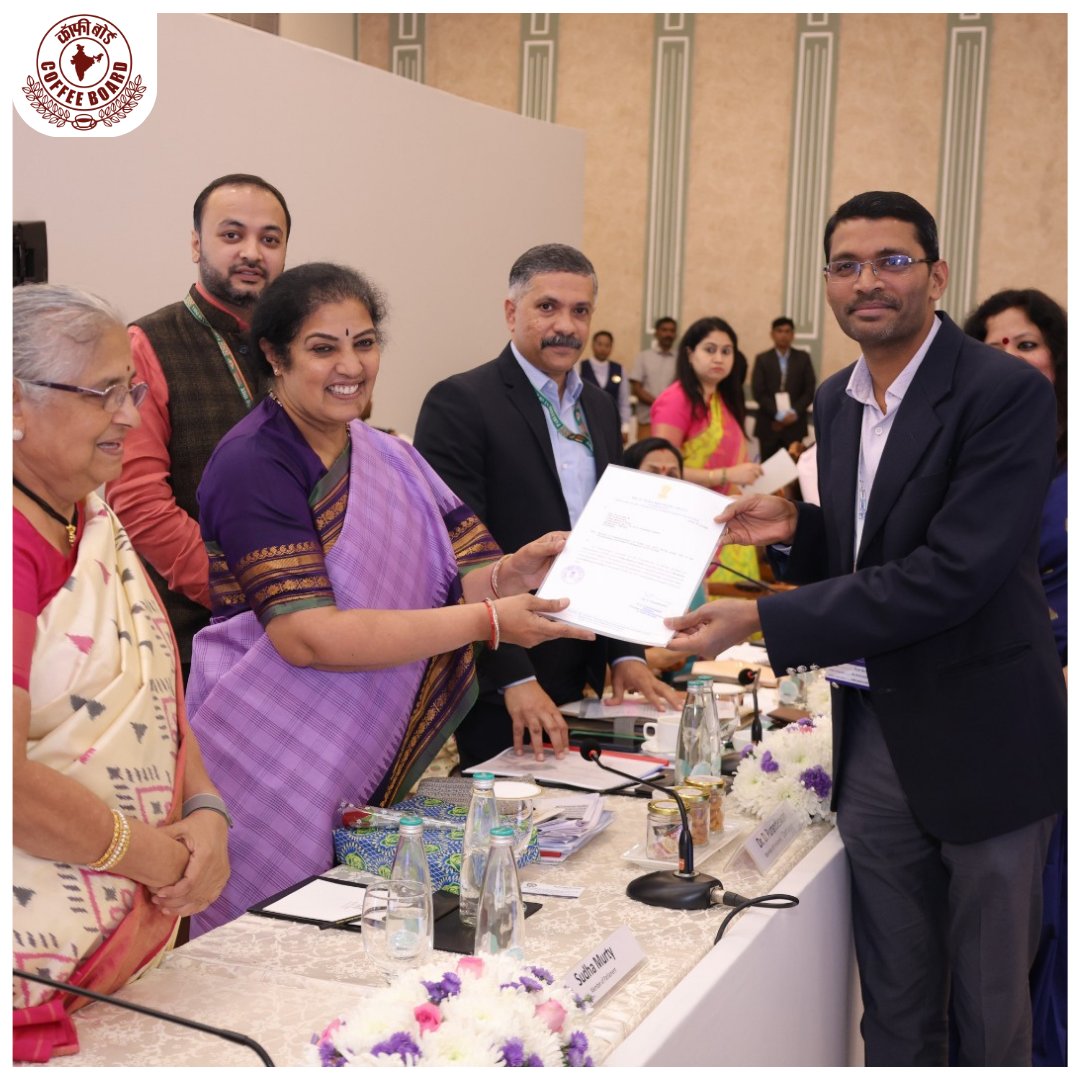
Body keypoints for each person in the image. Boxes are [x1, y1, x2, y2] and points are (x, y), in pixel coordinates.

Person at [664, 191, 1067, 1066]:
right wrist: (796, 528)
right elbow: (873, 545)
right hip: (876, 728)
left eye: (892, 260)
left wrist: (765, 619)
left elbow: (954, 571)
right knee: (893, 1000)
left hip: (986, 737)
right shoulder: (841, 402)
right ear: (827, 285)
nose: (868, 281)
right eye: (846, 265)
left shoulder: (1003, 393)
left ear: (937, 274)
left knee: (990, 1012)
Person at [184, 263, 591, 935]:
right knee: (268, 945)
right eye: (323, 348)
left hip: (354, 748)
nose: (351, 365)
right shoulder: (254, 462)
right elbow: (307, 637)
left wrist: (516, 572)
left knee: (346, 939)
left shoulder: (388, 455)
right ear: (275, 356)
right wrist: (490, 620)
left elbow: (454, 579)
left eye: (365, 343)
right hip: (266, 754)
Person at [12, 284, 230, 1061]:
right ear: (14, 404)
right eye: (103, 393)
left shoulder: (89, 516)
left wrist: (205, 810)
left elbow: (151, 691)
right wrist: (155, 858)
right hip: (30, 960)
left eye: (131, 390)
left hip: (126, 945)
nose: (132, 417)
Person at [414, 244, 682, 768]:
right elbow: (452, 556)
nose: (566, 325)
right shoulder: (461, 403)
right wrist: (514, 677)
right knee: (504, 835)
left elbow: (613, 537)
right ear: (511, 312)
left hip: (579, 660)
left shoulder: (599, 407)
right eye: (547, 307)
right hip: (501, 674)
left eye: (580, 311)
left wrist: (624, 652)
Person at [106, 173, 291, 682]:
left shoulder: (296, 346)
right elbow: (141, 507)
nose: (252, 252)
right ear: (196, 245)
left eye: (269, 239)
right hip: (195, 642)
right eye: (232, 235)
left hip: (305, 630)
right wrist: (251, 590)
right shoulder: (147, 343)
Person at [964, 287, 1067, 1068]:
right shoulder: (959, 458)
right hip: (979, 716)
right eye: (993, 345)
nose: (1010, 359)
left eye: (1026, 343)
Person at [650, 316, 764, 587]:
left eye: (726, 351)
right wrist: (725, 474)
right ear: (690, 354)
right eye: (709, 349)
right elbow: (661, 474)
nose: (719, 358)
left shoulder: (721, 401)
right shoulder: (676, 399)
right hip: (687, 523)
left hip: (727, 521)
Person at [623, 437, 708, 684]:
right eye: (653, 473)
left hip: (694, 684)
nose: (664, 483)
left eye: (672, 474)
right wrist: (662, 657)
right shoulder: (617, 549)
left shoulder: (693, 544)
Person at [750, 316, 816, 462]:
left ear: (793, 335)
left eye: (787, 331)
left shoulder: (803, 358)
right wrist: (778, 415)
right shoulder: (762, 359)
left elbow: (809, 390)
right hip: (769, 424)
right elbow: (758, 392)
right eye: (779, 331)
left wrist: (793, 413)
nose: (783, 335)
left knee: (794, 471)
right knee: (768, 470)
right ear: (772, 334)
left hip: (795, 425)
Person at [629, 315, 678, 436]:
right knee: (645, 455)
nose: (668, 334)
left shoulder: (680, 360)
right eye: (664, 330)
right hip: (647, 421)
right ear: (656, 333)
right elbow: (636, 388)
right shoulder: (643, 357)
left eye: (672, 331)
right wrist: (659, 404)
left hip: (673, 422)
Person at [579, 330, 630, 435]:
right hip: (586, 423)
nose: (603, 349)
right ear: (592, 345)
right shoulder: (581, 367)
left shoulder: (619, 369)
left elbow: (623, 401)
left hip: (611, 423)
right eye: (599, 344)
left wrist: (625, 427)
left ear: (611, 347)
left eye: (607, 345)